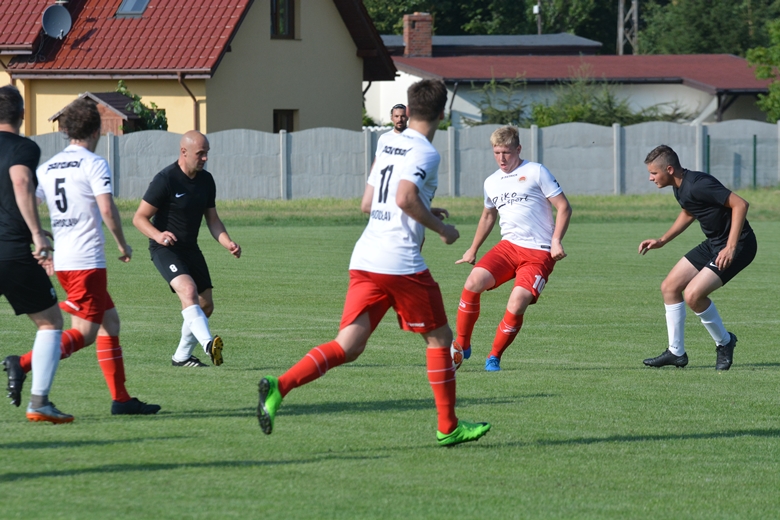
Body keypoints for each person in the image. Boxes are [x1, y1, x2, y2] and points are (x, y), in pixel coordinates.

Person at [256, 80, 491, 447]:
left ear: (408, 111)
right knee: (441, 338)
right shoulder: (427, 153)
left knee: (348, 346)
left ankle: (279, 386)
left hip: (365, 256)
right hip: (400, 261)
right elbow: (404, 197)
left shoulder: (386, 141)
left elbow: (368, 203)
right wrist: (442, 228)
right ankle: (448, 426)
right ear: (442, 115)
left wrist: (425, 211)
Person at [6, 99, 160, 415]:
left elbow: (29, 202)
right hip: (86, 262)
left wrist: (41, 237)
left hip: (65, 259)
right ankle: (21, 364)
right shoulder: (93, 163)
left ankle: (121, 400)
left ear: (65, 130)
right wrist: (122, 244)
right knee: (85, 334)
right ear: (97, 128)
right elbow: (106, 208)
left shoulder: (48, 167)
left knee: (110, 323)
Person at [454, 126, 572, 372]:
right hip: (508, 248)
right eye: (497, 152)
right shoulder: (491, 182)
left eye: (506, 152)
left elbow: (564, 207)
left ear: (518, 149)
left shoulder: (536, 171)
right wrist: (472, 249)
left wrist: (556, 240)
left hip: (539, 252)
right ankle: (462, 344)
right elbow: (488, 216)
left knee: (517, 302)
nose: (501, 158)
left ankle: (494, 356)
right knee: (473, 281)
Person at [639, 145, 756, 370]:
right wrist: (662, 240)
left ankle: (725, 342)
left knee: (693, 295)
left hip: (739, 245)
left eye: (654, 173)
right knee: (670, 287)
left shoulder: (699, 183)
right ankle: (676, 352)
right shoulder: (680, 187)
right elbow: (689, 211)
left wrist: (730, 247)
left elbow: (740, 204)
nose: (650, 178)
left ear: (669, 169)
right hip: (714, 244)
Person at [133, 130, 241, 368]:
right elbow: (139, 218)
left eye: (207, 154)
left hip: (191, 249)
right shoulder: (166, 179)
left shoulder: (206, 180)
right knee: (188, 290)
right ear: (184, 152)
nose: (205, 159)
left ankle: (181, 357)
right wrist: (158, 235)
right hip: (165, 249)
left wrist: (228, 242)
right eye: (200, 154)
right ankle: (208, 344)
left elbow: (212, 220)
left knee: (206, 305)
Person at [0, 85, 71, 423]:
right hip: (11, 251)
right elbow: (20, 182)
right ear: (22, 114)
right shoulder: (24, 147)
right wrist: (36, 234)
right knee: (50, 322)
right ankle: (39, 402)